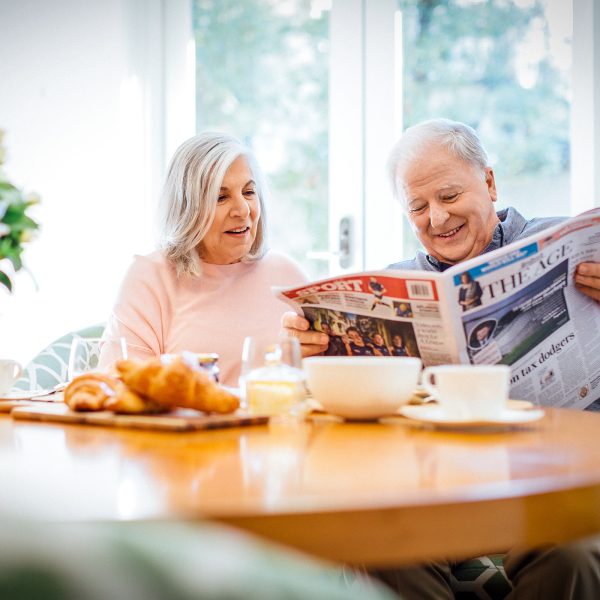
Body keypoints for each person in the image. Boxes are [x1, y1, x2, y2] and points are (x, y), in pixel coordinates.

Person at [282, 118, 600, 599]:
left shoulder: (570, 245)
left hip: (558, 484)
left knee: (573, 554)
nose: (436, 218)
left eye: (449, 197)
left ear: (489, 183)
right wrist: (308, 354)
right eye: (417, 207)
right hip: (439, 488)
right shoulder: (392, 285)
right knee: (380, 546)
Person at [99, 132, 307, 387]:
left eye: (249, 192)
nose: (242, 210)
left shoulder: (286, 274)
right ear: (188, 209)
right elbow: (119, 383)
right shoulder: (150, 276)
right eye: (221, 197)